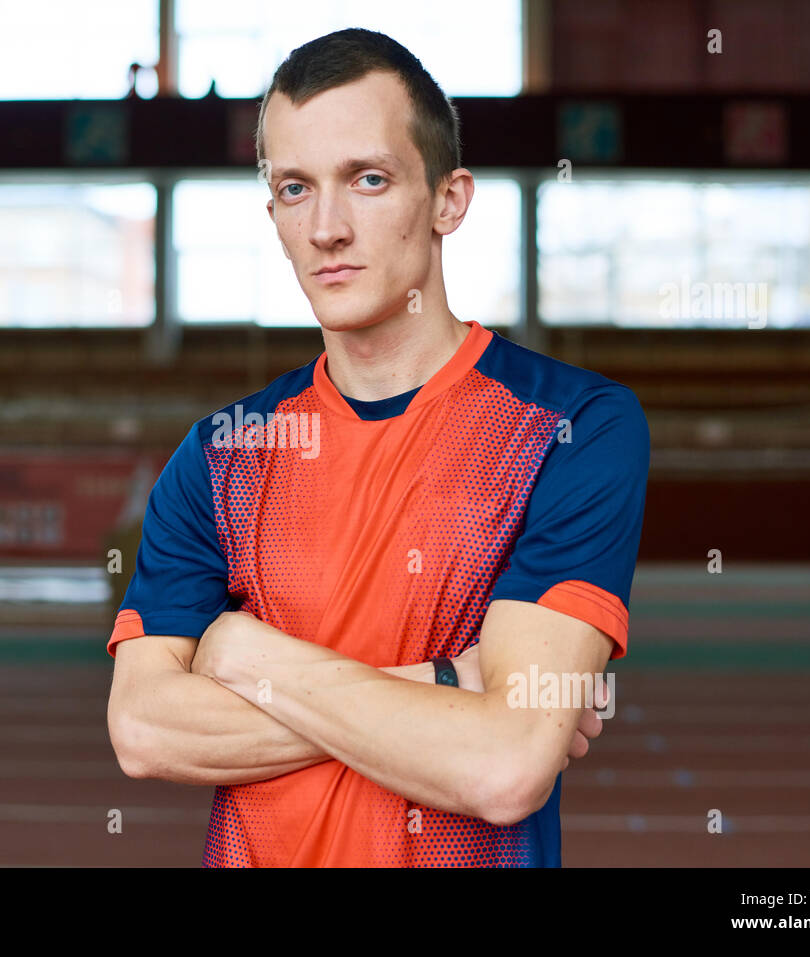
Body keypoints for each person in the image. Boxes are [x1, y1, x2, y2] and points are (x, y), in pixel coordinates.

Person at [106, 27, 649, 867]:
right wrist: (442, 687)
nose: (327, 228)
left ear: (449, 200)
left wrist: (241, 653)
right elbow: (143, 730)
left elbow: (503, 766)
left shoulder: (572, 427)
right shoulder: (222, 455)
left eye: (368, 180)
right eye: (294, 188)